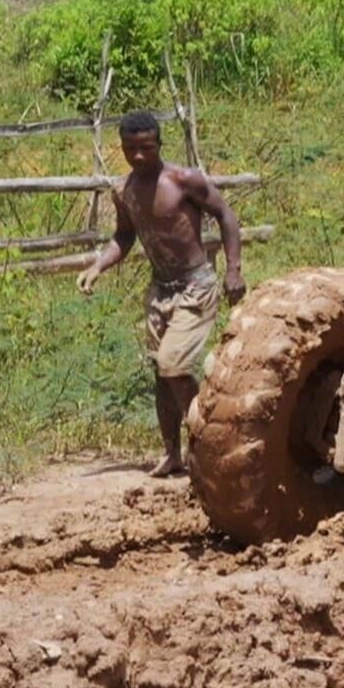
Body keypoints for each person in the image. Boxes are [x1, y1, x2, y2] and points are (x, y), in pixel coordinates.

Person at [77, 111, 247, 477]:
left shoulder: (184, 180)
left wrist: (233, 268)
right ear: (121, 147)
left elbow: (226, 215)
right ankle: (173, 454)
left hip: (195, 284)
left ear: (159, 145)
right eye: (130, 149)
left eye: (146, 148)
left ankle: (209, 442)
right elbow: (124, 237)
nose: (138, 156)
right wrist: (97, 267)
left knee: (173, 364)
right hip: (160, 288)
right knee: (161, 372)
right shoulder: (125, 191)